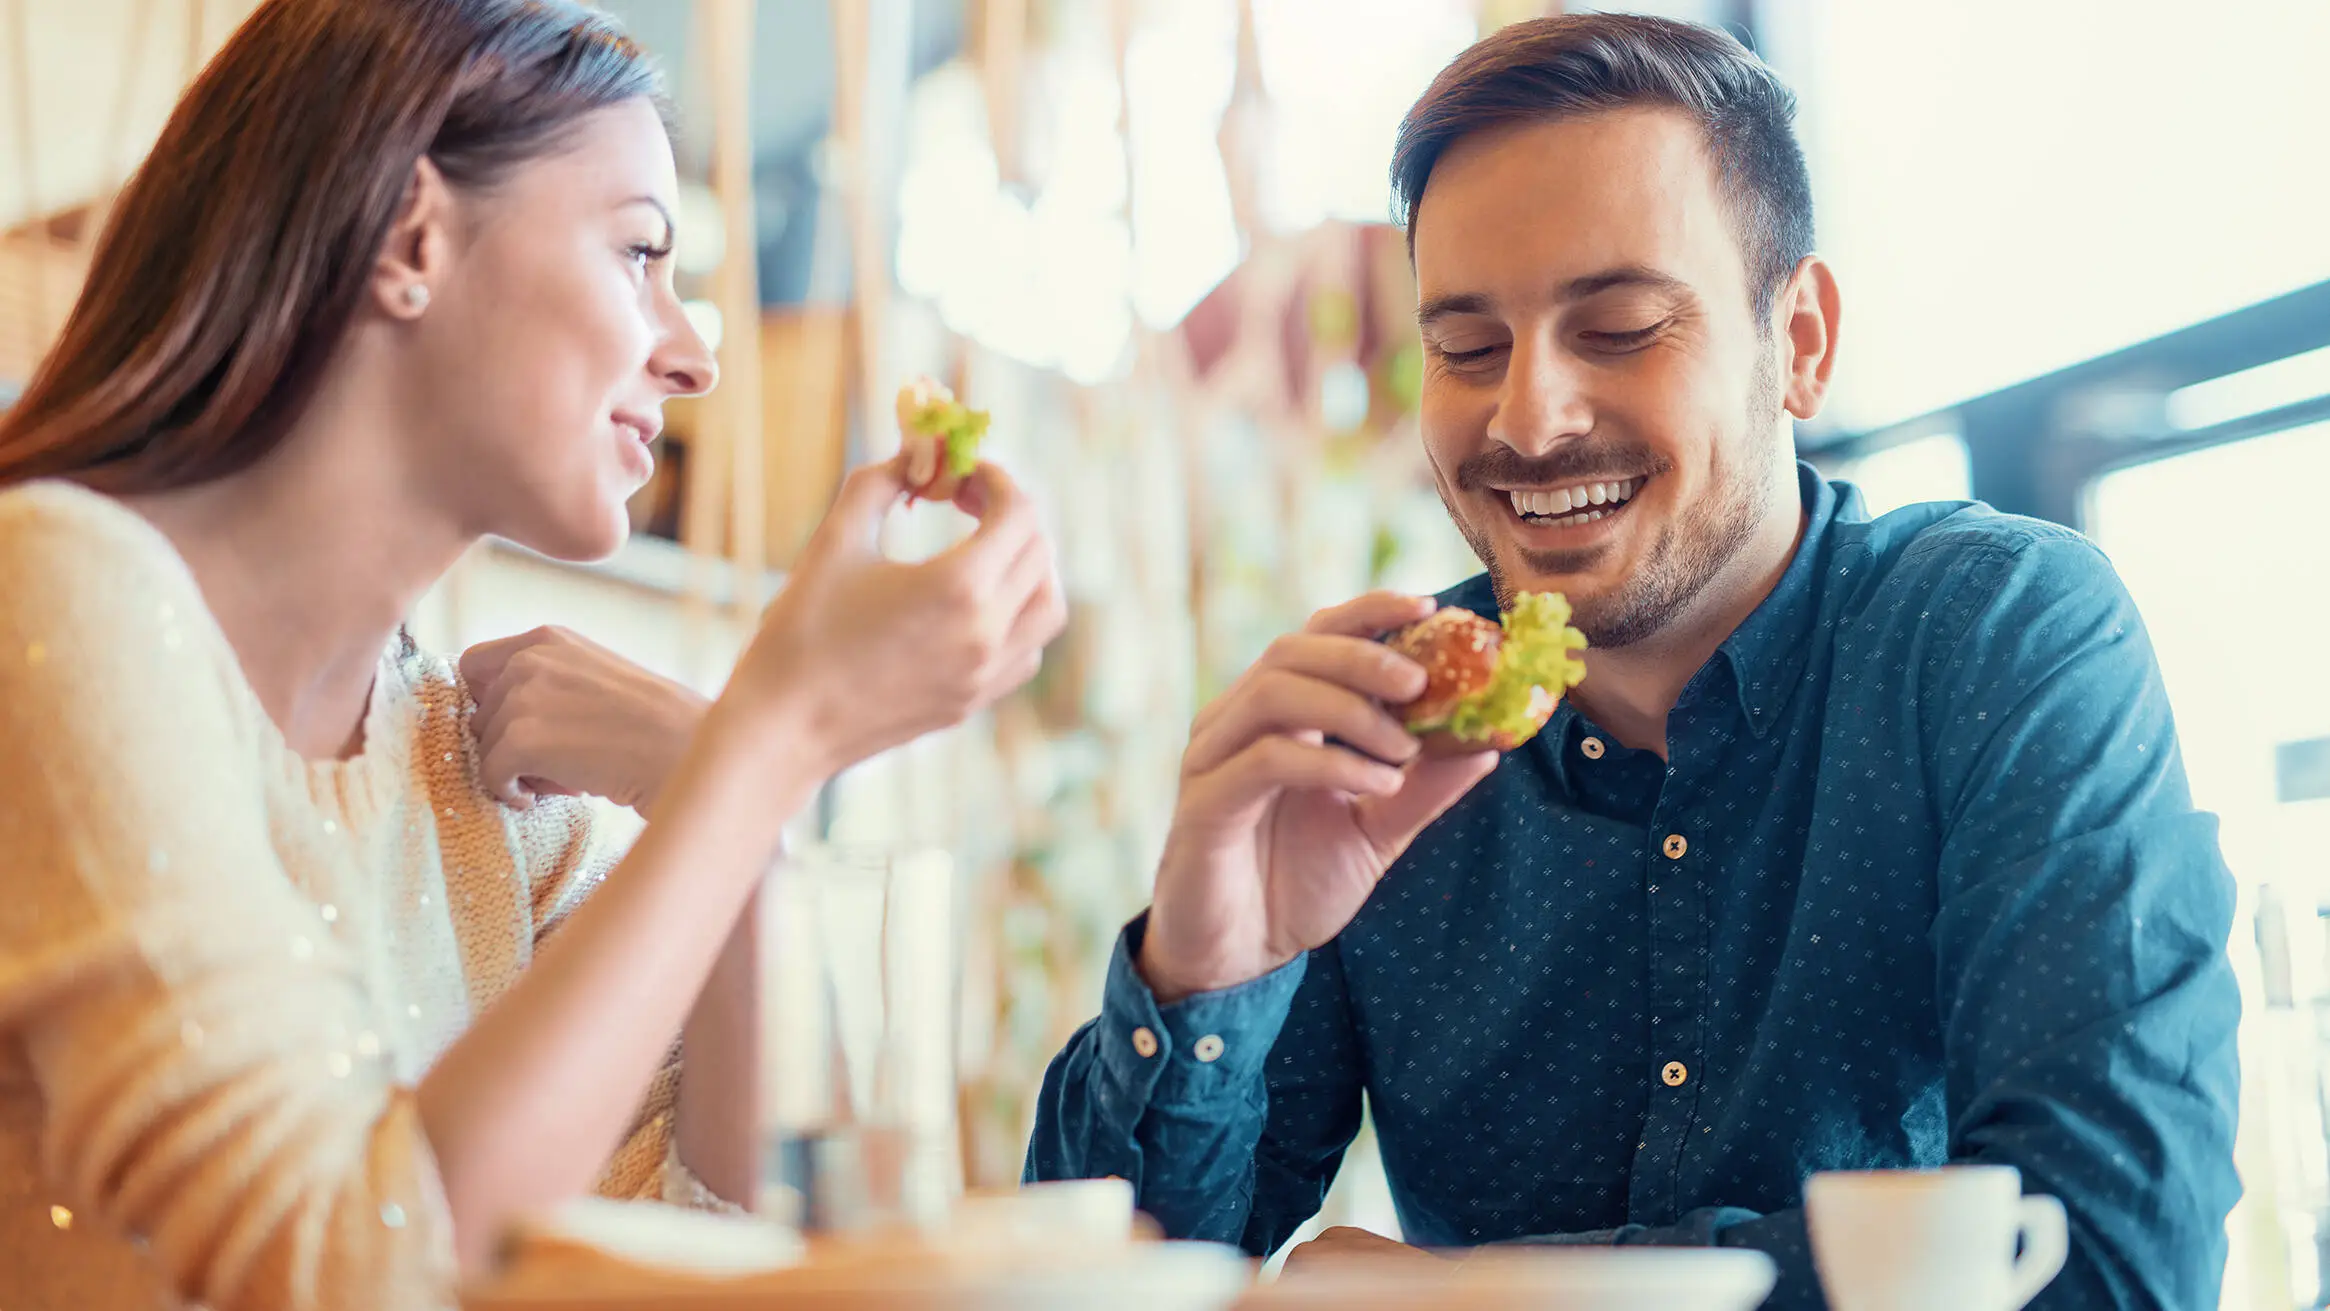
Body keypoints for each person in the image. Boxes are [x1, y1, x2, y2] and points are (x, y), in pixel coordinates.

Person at [1023, 14, 2239, 1309]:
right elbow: (1108, 1286)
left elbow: (2109, 1257)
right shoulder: (1373, 741)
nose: (1526, 416)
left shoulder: (1993, 637)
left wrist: (1470, 1295)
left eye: (1616, 327)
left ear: (1802, 342)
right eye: (1467, 348)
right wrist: (1209, 968)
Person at [0, 2, 1062, 1308]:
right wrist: (770, 739)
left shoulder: (481, 779)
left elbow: (691, 1256)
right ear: (410, 235)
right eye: (639, 254)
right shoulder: (51, 585)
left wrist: (725, 797)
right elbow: (342, 1267)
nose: (695, 355)